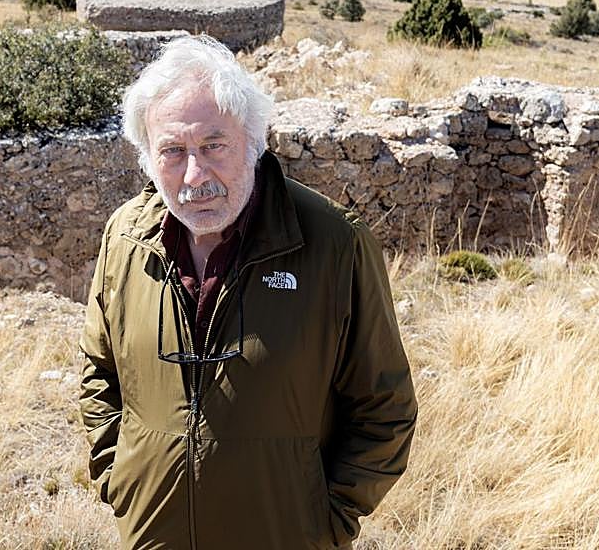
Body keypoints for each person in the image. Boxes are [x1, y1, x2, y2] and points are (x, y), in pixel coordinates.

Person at [80, 35, 417, 550]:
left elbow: (385, 408)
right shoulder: (125, 237)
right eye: (172, 151)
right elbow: (100, 374)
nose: (195, 175)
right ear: (148, 158)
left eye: (214, 146)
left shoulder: (333, 244)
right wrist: (123, 483)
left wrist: (324, 523)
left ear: (254, 142)